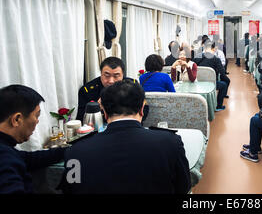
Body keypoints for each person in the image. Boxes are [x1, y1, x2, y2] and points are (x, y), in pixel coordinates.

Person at [60, 80, 191, 194]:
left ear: (104, 113)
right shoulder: (170, 143)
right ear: (141, 109)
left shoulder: (76, 152)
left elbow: (70, 190)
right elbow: (183, 187)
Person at [0, 85, 66, 194]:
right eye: (36, 116)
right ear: (17, 119)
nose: (37, 121)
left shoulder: (7, 150)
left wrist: (69, 151)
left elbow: (29, 159)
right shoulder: (4, 159)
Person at [77, 57, 142, 121]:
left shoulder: (132, 86)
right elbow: (81, 117)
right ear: (101, 73)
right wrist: (96, 108)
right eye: (107, 76)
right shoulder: (88, 90)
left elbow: (143, 110)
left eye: (116, 76)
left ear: (122, 75)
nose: (111, 81)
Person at [195, 40, 230, 110]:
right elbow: (223, 73)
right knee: (224, 84)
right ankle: (218, 106)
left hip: (198, 82)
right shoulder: (216, 59)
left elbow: (192, 68)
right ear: (213, 49)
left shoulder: (197, 57)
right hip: (211, 84)